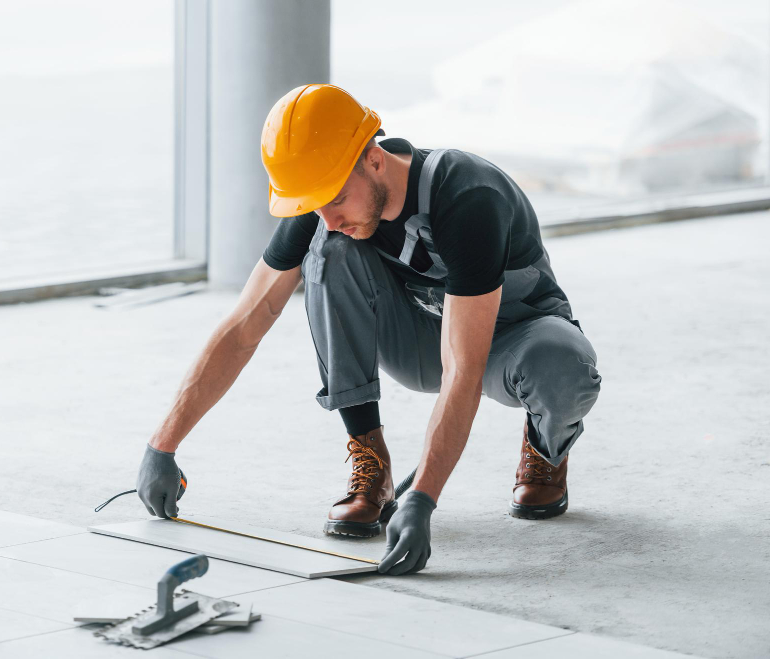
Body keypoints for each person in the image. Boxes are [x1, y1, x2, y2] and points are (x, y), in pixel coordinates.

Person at [135, 83, 602, 576]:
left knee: (565, 367)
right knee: (329, 253)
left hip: (514, 342)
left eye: (335, 199)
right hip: (423, 340)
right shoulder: (326, 209)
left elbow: (463, 368)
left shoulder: (469, 198)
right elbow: (245, 323)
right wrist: (161, 445)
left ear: (374, 159)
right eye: (314, 205)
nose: (328, 217)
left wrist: (423, 500)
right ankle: (372, 467)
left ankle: (545, 451)